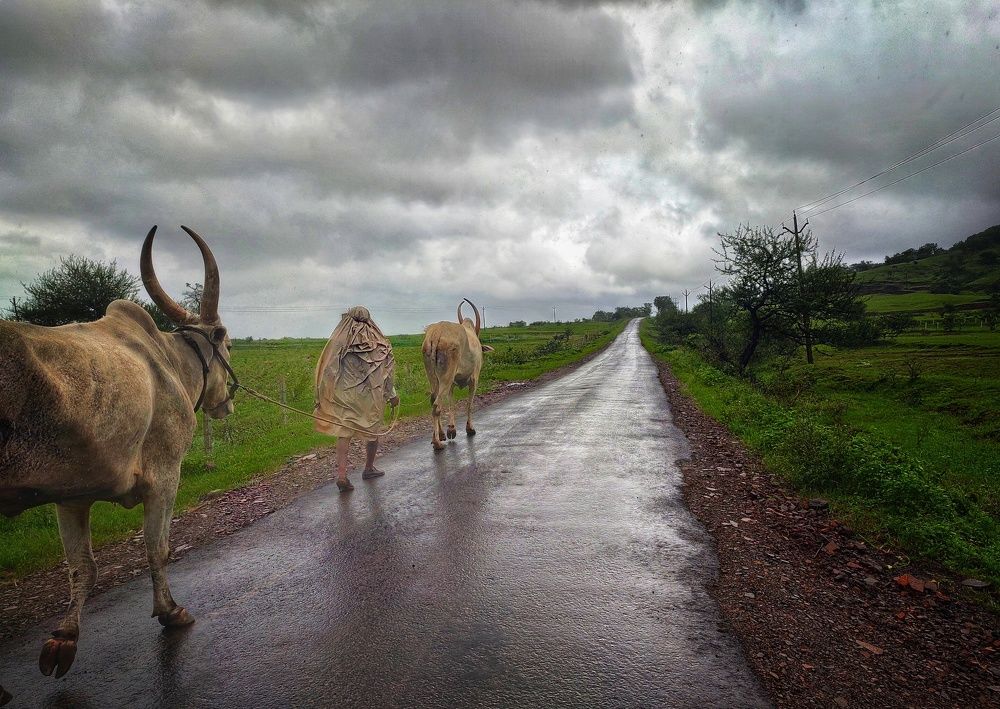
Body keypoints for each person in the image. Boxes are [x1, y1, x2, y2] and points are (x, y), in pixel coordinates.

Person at [314, 306, 399, 492]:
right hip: (370, 396)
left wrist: (322, 395)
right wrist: (392, 395)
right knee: (373, 430)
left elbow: (328, 369)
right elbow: (385, 373)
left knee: (344, 432)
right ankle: (369, 468)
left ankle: (342, 475)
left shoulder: (338, 339)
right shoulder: (378, 341)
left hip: (344, 396)